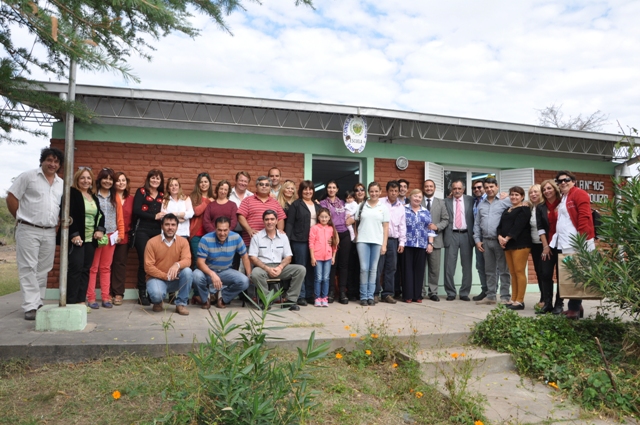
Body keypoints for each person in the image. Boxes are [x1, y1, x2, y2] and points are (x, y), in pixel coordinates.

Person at [7, 147, 64, 320]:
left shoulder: (60, 183)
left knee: (43, 268)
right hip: (28, 228)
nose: (52, 164)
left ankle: (38, 301)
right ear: (42, 161)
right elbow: (12, 197)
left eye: (56, 161)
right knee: (28, 267)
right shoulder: (28, 176)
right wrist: (20, 217)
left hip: (49, 231)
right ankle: (30, 306)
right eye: (49, 160)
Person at [549, 170, 595, 319]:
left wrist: (581, 240)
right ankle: (577, 307)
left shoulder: (579, 194)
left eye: (566, 180)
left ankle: (573, 309)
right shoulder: (564, 197)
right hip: (565, 244)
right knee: (570, 275)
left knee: (576, 275)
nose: (563, 182)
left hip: (577, 243)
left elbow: (584, 216)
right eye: (560, 181)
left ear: (573, 181)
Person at [64, 168, 106, 306]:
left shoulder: (93, 196)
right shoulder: (72, 194)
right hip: (77, 238)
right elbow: (68, 215)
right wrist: (74, 234)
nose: (85, 181)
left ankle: (81, 300)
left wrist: (100, 229)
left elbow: (100, 215)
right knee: (75, 268)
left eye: (88, 178)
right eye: (82, 178)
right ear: (77, 179)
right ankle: (71, 301)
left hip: (90, 240)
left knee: (86, 269)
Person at [249, 210, 305, 311]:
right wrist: (267, 268)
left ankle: (289, 301)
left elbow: (288, 257)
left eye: (272, 219)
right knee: (255, 273)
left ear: (276, 221)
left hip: (280, 267)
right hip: (263, 268)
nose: (269, 222)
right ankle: (267, 300)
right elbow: (252, 257)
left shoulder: (283, 236)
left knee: (300, 269)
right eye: (267, 219)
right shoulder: (257, 237)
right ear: (263, 221)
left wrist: (280, 267)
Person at [193, 216, 251, 309]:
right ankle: (205, 299)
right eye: (219, 230)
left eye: (225, 230)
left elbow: (244, 256)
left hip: (226, 271)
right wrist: (212, 274)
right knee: (196, 276)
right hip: (207, 272)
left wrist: (249, 274)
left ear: (230, 229)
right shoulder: (206, 239)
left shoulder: (236, 237)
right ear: (215, 228)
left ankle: (222, 297)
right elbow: (200, 262)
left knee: (245, 281)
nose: (222, 233)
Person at [87, 168, 124, 309]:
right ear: (100, 179)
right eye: (105, 178)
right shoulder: (93, 195)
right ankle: (90, 298)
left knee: (106, 267)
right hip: (96, 236)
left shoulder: (115, 197)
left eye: (110, 179)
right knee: (93, 267)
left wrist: (120, 234)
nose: (107, 181)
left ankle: (105, 297)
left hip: (110, 237)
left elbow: (119, 217)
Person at [144, 214, 195, 315]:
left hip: (175, 279)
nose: (170, 227)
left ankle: (180, 304)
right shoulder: (152, 242)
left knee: (188, 272)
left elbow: (187, 260)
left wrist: (177, 265)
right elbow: (148, 267)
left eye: (173, 225)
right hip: (156, 278)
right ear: (162, 226)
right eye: (167, 224)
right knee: (157, 295)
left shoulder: (183, 242)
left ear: (177, 226)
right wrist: (165, 276)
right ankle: (158, 302)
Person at [473, 177, 513, 305]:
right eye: (487, 187)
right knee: (489, 270)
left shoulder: (505, 201)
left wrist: (509, 195)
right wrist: (477, 240)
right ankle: (491, 296)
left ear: (497, 187)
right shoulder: (482, 205)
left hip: (500, 242)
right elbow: (477, 223)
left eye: (491, 187)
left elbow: (521, 205)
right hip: (485, 241)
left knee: (504, 270)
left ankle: (505, 296)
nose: (489, 189)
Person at [132, 169, 165, 305]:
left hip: (157, 231)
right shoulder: (141, 192)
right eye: (153, 178)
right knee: (145, 261)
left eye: (158, 178)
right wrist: (154, 216)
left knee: (156, 262)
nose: (155, 180)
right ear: (148, 179)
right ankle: (142, 293)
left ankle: (153, 292)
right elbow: (136, 210)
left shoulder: (163, 195)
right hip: (142, 231)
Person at [285, 180, 321, 306]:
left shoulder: (317, 206)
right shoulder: (296, 204)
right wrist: (287, 241)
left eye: (310, 189)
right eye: (305, 189)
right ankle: (300, 295)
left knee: (312, 268)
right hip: (299, 240)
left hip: (315, 242)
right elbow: (289, 223)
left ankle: (309, 294)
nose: (308, 191)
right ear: (301, 191)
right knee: (301, 268)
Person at [320, 180, 355, 304]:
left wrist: (352, 219)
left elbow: (354, 213)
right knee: (332, 264)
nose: (331, 189)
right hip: (331, 235)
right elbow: (323, 220)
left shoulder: (343, 203)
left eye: (334, 187)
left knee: (343, 265)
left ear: (337, 189)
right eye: (329, 187)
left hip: (344, 234)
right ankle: (330, 292)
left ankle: (342, 292)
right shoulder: (322, 204)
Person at [354, 182, 389, 306]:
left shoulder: (383, 207)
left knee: (373, 269)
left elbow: (386, 227)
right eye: (371, 191)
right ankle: (363, 296)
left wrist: (384, 244)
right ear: (369, 192)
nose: (374, 193)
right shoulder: (362, 205)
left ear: (380, 192)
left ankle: (371, 296)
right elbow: (355, 222)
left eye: (376, 191)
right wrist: (357, 236)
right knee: (364, 268)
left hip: (377, 241)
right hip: (363, 240)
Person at [497, 186, 532, 310]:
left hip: (520, 244)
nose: (514, 197)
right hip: (508, 245)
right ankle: (513, 299)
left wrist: (506, 238)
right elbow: (500, 225)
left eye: (517, 195)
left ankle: (520, 301)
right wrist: (500, 236)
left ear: (522, 196)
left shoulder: (524, 209)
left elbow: (518, 226)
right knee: (512, 272)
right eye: (512, 194)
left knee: (519, 271)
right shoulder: (507, 209)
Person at [443, 180, 474, 301]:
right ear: (451, 189)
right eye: (454, 188)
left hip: (466, 235)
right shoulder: (445, 201)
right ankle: (450, 292)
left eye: (459, 188)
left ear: (463, 189)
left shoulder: (470, 200)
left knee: (467, 267)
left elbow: (485, 197)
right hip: (452, 235)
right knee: (449, 267)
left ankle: (464, 293)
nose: (457, 190)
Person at [403, 189, 436, 303]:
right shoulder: (403, 209)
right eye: (415, 196)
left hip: (421, 244)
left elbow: (430, 228)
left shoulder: (425, 211)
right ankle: (408, 295)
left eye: (419, 197)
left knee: (419, 270)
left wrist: (430, 243)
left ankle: (417, 296)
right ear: (410, 197)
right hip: (407, 244)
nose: (417, 199)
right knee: (407, 270)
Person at [376, 181, 406, 304]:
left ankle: (387, 293)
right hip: (380, 239)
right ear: (387, 191)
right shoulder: (380, 203)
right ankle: (375, 293)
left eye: (395, 191)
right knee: (378, 267)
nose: (393, 193)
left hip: (393, 241)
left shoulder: (401, 207)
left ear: (399, 192)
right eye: (391, 191)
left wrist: (402, 242)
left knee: (391, 268)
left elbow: (402, 226)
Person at [536, 179, 562, 314]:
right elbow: (540, 228)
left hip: (563, 245)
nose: (546, 191)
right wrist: (545, 246)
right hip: (548, 245)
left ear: (555, 189)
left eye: (549, 188)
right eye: (544, 189)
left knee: (561, 275)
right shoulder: (540, 207)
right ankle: (548, 303)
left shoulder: (563, 203)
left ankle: (559, 304)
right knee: (545, 273)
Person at [237, 175, 286, 248]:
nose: (264, 186)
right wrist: (249, 230)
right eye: (261, 184)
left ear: (270, 188)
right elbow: (241, 216)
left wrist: (280, 230)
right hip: (251, 241)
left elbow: (280, 218)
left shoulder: (275, 202)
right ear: (256, 187)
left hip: (271, 242)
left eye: (267, 185)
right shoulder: (247, 200)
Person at [421, 179, 450, 301]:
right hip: (420, 241)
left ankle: (433, 292)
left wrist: (437, 226)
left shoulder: (441, 202)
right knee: (420, 268)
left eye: (431, 186)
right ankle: (420, 291)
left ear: (435, 188)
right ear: (423, 188)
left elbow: (446, 219)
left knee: (434, 268)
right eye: (426, 186)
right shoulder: (418, 200)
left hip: (436, 241)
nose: (428, 188)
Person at [111, 172, 134, 306]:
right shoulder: (110, 197)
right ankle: (107, 292)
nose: (121, 183)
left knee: (120, 264)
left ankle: (118, 293)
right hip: (109, 236)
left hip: (124, 236)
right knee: (106, 265)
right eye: (118, 180)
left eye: (123, 180)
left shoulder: (131, 199)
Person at [309, 208, 338, 307]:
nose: (324, 219)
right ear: (318, 217)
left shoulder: (331, 228)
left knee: (326, 278)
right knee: (318, 278)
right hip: (317, 256)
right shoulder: (314, 228)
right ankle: (317, 298)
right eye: (322, 217)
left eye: (326, 217)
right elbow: (311, 243)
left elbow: (334, 244)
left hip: (328, 257)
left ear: (329, 217)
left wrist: (333, 257)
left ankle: (324, 297)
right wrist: (312, 257)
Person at [189, 172, 215, 265]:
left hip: (209, 234)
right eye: (201, 182)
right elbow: (196, 212)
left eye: (206, 181)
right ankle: (196, 279)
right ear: (198, 184)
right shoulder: (193, 197)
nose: (203, 184)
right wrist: (207, 201)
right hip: (196, 234)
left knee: (209, 260)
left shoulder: (214, 198)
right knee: (198, 260)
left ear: (209, 183)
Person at [528, 184, 545, 309]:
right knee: (539, 272)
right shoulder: (531, 208)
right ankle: (543, 298)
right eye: (531, 192)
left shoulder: (544, 207)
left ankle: (547, 300)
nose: (533, 194)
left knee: (545, 272)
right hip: (534, 244)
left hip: (545, 245)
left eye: (536, 192)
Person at [471, 179, 489, 301]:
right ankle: (485, 290)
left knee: (492, 266)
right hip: (478, 237)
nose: (477, 189)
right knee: (480, 265)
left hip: (490, 236)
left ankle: (492, 291)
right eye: (474, 188)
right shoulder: (474, 202)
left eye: (479, 187)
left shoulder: (492, 200)